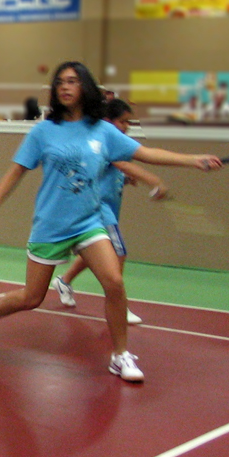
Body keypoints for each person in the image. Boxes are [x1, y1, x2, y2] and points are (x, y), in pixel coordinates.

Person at [0, 61, 222, 383]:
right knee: (33, 297)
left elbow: (145, 153)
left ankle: (120, 355)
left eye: (72, 81)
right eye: (60, 82)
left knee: (114, 282)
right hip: (50, 225)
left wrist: (193, 160)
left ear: (84, 87)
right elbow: (16, 171)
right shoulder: (43, 131)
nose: (64, 86)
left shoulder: (103, 131)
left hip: (89, 221)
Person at [52, 98, 168, 325]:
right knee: (118, 253)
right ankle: (118, 304)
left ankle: (64, 281)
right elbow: (122, 164)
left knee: (96, 252)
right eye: (123, 122)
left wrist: (124, 180)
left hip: (109, 208)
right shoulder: (105, 141)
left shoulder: (113, 144)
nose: (126, 127)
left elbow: (111, 171)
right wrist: (154, 181)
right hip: (98, 209)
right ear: (108, 121)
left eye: (129, 123)